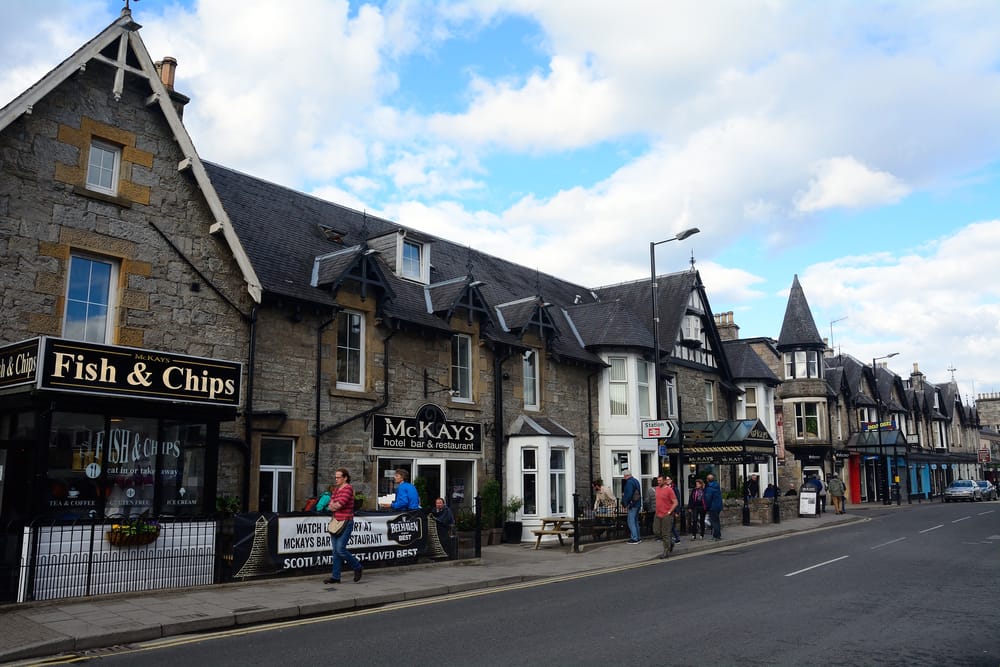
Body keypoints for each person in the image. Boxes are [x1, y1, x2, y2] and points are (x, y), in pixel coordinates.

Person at [323, 468, 363, 585]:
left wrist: (333, 505)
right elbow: (330, 504)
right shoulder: (336, 489)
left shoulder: (348, 488)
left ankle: (357, 566)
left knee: (340, 549)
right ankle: (336, 577)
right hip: (335, 522)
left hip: (346, 521)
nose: (336, 479)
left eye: (338, 477)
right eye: (335, 477)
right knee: (335, 551)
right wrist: (333, 505)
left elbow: (339, 504)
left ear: (345, 478)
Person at [652, 475, 678, 559]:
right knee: (656, 531)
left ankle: (666, 552)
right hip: (658, 514)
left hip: (667, 515)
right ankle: (671, 542)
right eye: (658, 481)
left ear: (664, 481)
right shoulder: (657, 489)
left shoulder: (669, 490)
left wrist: (670, 511)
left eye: (660, 481)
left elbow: (675, 502)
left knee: (665, 533)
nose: (658, 482)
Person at [621, 470, 642, 544]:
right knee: (635, 521)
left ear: (626, 475)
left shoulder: (629, 482)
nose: (624, 477)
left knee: (631, 521)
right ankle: (638, 537)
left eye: (624, 476)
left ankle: (634, 538)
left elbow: (629, 494)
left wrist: (625, 503)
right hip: (638, 503)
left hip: (632, 504)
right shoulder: (636, 481)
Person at [704, 473, 723, 541]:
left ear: (708, 480)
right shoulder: (716, 486)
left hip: (712, 507)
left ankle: (716, 537)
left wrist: (707, 507)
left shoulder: (709, 488)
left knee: (714, 522)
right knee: (717, 521)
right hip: (718, 506)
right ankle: (718, 535)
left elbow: (708, 499)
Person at [664, 476, 681, 544]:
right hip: (666, 509)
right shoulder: (665, 488)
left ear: (671, 480)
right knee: (670, 525)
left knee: (672, 525)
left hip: (672, 509)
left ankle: (676, 538)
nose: (667, 480)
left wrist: (677, 511)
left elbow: (677, 500)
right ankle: (674, 538)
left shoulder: (674, 488)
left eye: (668, 479)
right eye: (666, 479)